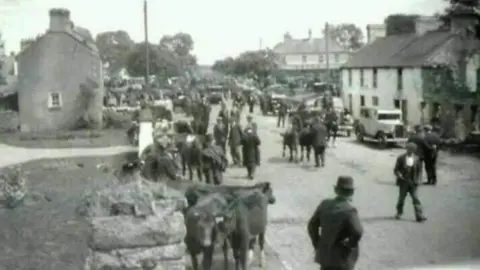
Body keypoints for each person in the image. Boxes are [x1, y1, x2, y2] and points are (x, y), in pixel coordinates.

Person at [307, 176, 363, 270]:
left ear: (336, 190)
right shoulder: (349, 210)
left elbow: (311, 226)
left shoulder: (324, 204)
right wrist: (348, 246)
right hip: (342, 260)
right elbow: (358, 232)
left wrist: (317, 244)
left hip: (325, 256)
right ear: (351, 192)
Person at [394, 142, 427, 222]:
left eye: (412, 150)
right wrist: (399, 175)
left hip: (413, 182)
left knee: (415, 198)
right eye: (409, 149)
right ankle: (399, 212)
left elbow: (419, 171)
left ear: (414, 150)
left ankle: (419, 215)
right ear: (406, 149)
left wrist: (419, 180)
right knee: (401, 198)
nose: (410, 151)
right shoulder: (401, 158)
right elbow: (396, 169)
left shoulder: (417, 159)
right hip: (403, 182)